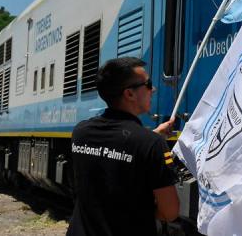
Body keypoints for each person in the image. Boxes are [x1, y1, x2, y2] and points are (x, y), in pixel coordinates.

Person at [67, 57, 179, 236]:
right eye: (148, 84)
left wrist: (152, 136)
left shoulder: (81, 133)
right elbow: (170, 211)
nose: (154, 89)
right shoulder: (151, 144)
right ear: (129, 94)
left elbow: (112, 149)